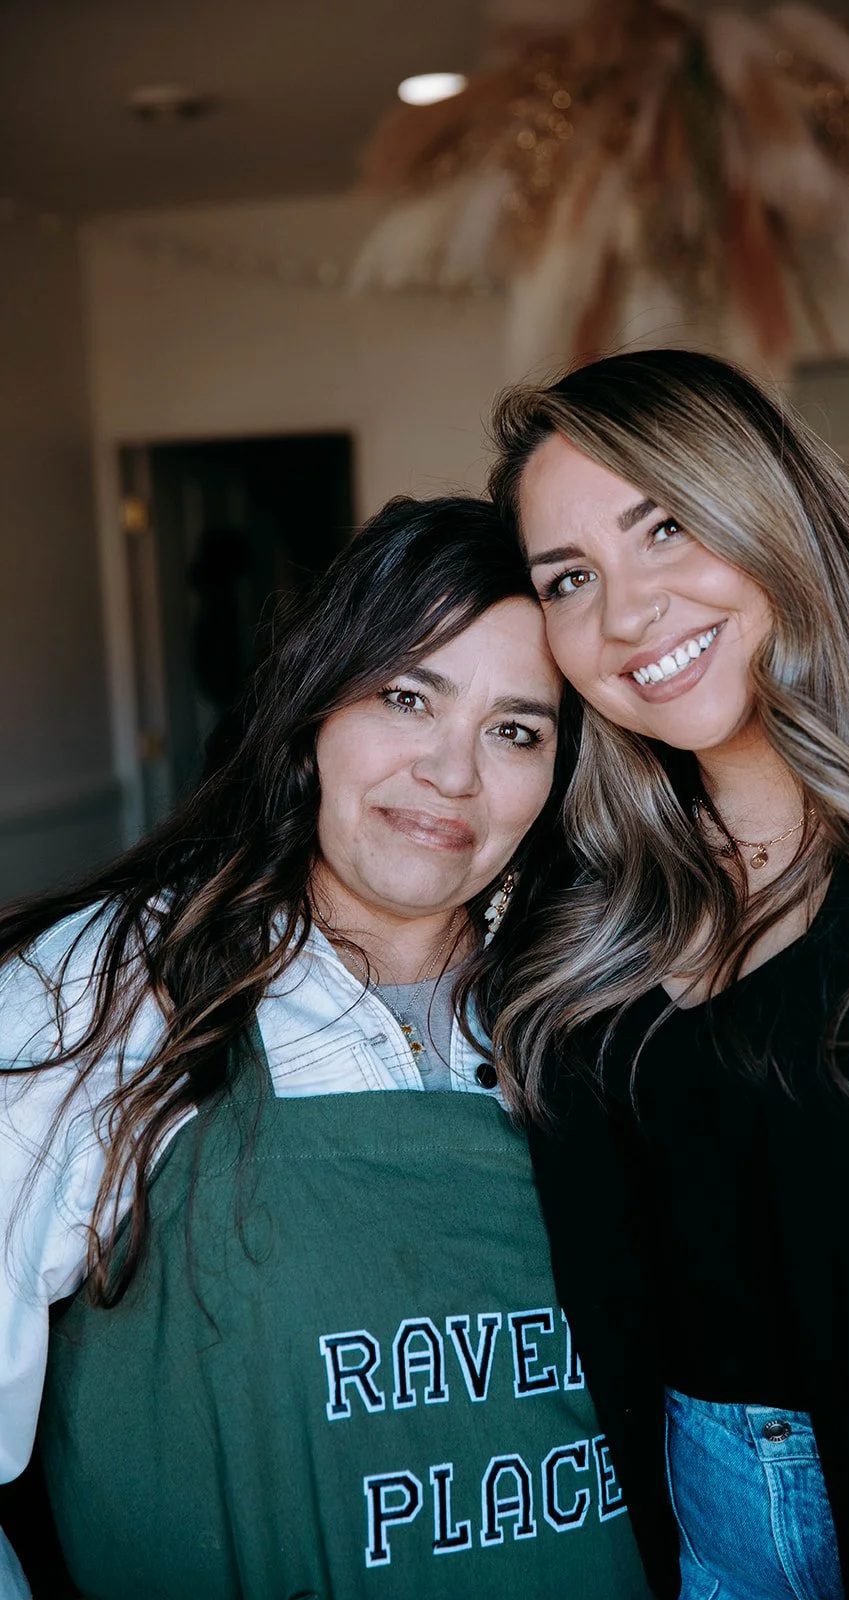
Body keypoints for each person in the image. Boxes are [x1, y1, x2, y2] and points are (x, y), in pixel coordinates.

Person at [485, 350, 849, 1600]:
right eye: (570, 578)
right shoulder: (578, 867)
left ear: (778, 510)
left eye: (667, 525)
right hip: (689, 1526)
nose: (627, 614)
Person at [0, 496, 651, 1599]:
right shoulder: (105, 993)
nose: (452, 773)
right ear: (314, 704)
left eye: (515, 730)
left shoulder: (600, 1003)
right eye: (407, 697)